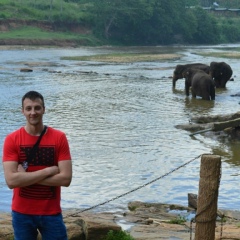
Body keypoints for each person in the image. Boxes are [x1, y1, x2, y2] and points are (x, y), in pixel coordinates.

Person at [2, 90, 72, 240]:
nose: (33, 112)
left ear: (44, 109)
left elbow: (66, 179)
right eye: (28, 108)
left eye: (37, 108)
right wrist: (48, 171)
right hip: (22, 214)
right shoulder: (12, 139)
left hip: (51, 213)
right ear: (22, 111)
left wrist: (25, 177)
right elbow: (11, 181)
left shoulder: (59, 138)